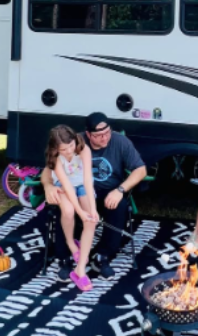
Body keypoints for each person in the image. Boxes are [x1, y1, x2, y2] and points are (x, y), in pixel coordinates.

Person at [42, 112, 147, 281]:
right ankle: (66, 257)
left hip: (107, 191)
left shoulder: (120, 142)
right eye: (98, 136)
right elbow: (48, 170)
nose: (105, 138)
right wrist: (47, 186)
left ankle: (103, 256)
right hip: (75, 189)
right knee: (65, 210)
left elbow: (141, 170)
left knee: (118, 207)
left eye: (107, 133)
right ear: (88, 134)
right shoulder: (74, 143)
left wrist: (120, 190)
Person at [44, 125, 98, 291]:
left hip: (82, 184)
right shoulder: (55, 158)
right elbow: (67, 186)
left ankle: (80, 269)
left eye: (70, 147)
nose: (68, 152)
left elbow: (88, 181)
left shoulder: (83, 149)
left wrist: (92, 210)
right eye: (63, 149)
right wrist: (79, 212)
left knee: (91, 221)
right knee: (68, 211)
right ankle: (71, 243)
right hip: (64, 185)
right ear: (55, 149)